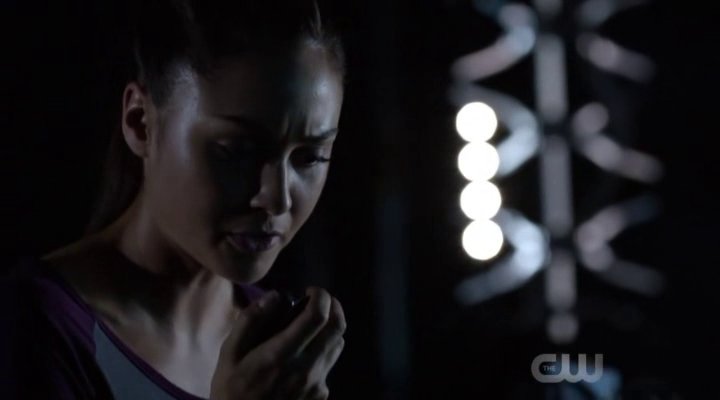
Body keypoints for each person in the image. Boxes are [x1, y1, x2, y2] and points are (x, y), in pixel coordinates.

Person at [0, 0, 347, 399]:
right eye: (237, 150)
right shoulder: (35, 327)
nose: (277, 199)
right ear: (140, 123)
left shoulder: (276, 349)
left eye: (310, 157)